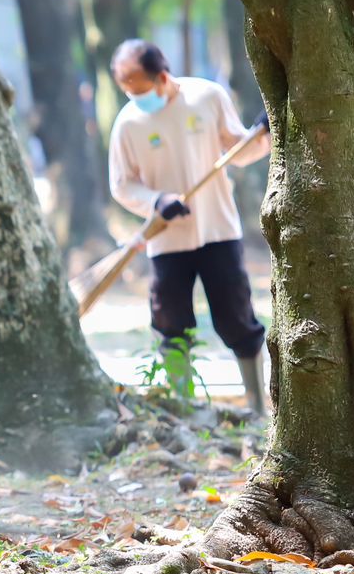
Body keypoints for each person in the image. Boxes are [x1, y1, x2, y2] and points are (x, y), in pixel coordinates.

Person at [107, 39, 271, 412]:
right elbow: (121, 184)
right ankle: (183, 405)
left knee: (236, 318)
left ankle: (258, 406)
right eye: (128, 92)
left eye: (141, 89)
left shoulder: (207, 97)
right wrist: (157, 201)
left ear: (163, 77)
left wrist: (260, 134)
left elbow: (238, 150)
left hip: (218, 231)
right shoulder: (128, 124)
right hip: (167, 242)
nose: (136, 98)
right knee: (171, 322)